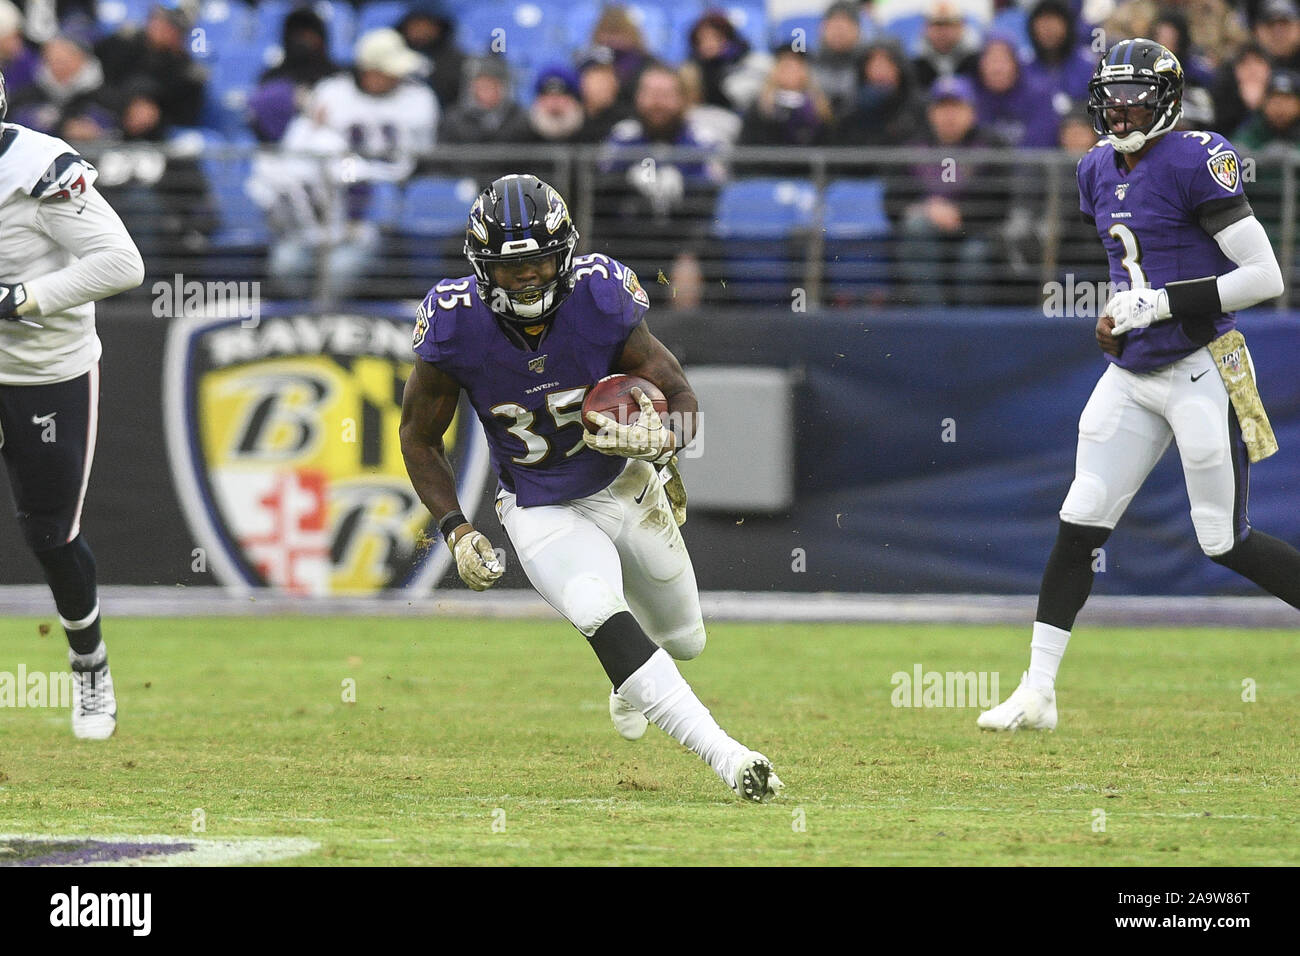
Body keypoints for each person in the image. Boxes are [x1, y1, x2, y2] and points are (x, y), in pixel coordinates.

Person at [398, 174, 782, 802]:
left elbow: (681, 396)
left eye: (542, 262)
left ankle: (630, 674)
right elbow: (417, 436)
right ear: (481, 266)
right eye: (511, 267)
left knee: (686, 639)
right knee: (595, 609)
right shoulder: (454, 325)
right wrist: (456, 528)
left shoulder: (600, 297)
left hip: (623, 484)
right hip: (540, 506)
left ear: (566, 254)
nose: (528, 279)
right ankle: (728, 755)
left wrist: (662, 443)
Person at [978, 40, 1299, 732]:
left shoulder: (1194, 158)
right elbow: (1133, 275)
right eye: (1111, 101)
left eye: (1135, 101)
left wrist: (1157, 306)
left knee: (1222, 539)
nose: (1121, 113)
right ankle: (1038, 690)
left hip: (1200, 365)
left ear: (1167, 104)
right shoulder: (1093, 167)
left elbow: (1265, 276)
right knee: (1078, 518)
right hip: (1132, 373)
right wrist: (1119, 319)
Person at [0, 68, 146, 739]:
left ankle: (89, 666)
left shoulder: (40, 169)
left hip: (43, 371)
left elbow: (122, 263)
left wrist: (21, 300)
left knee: (49, 534)